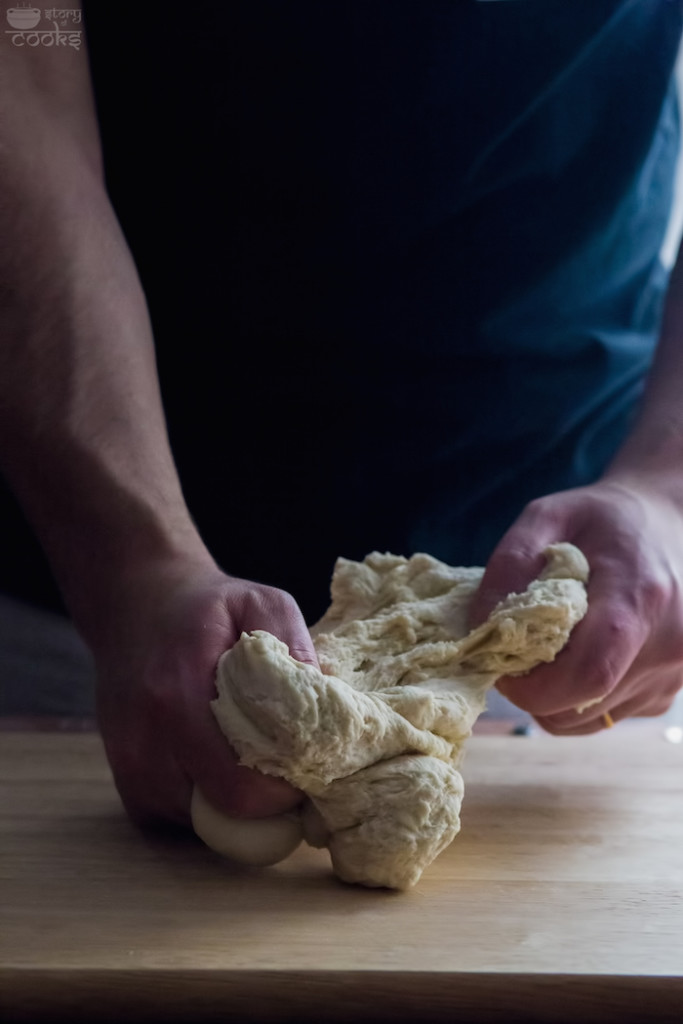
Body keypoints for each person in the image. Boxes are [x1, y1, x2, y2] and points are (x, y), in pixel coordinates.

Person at [1, 1, 682, 831]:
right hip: (79, 575)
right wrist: (128, 558)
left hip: (604, 596)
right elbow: (20, 50)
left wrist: (668, 488)